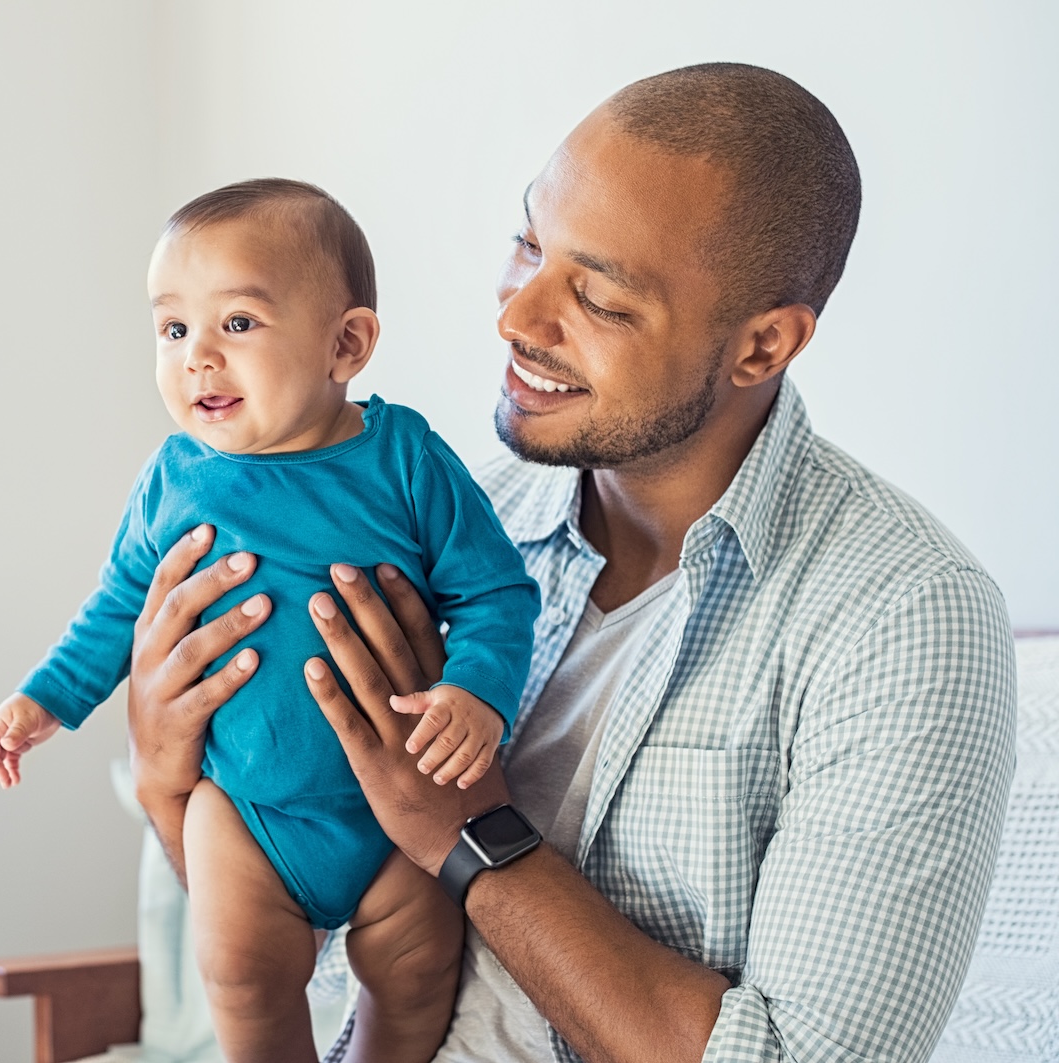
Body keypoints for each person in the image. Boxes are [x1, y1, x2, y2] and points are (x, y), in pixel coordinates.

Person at [126, 63, 1018, 1063]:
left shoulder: (903, 617)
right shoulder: (458, 523)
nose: (516, 317)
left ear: (761, 345)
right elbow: (311, 922)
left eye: (594, 295)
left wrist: (473, 834)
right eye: (527, 244)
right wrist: (171, 782)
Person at [0, 179, 542, 1063]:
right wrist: (42, 700)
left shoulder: (404, 457)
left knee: (418, 969)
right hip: (245, 816)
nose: (198, 356)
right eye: (173, 329)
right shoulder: (173, 477)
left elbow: (496, 593)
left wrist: (476, 691)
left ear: (345, 344)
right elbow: (119, 606)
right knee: (239, 974)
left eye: (236, 323)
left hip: (401, 815)